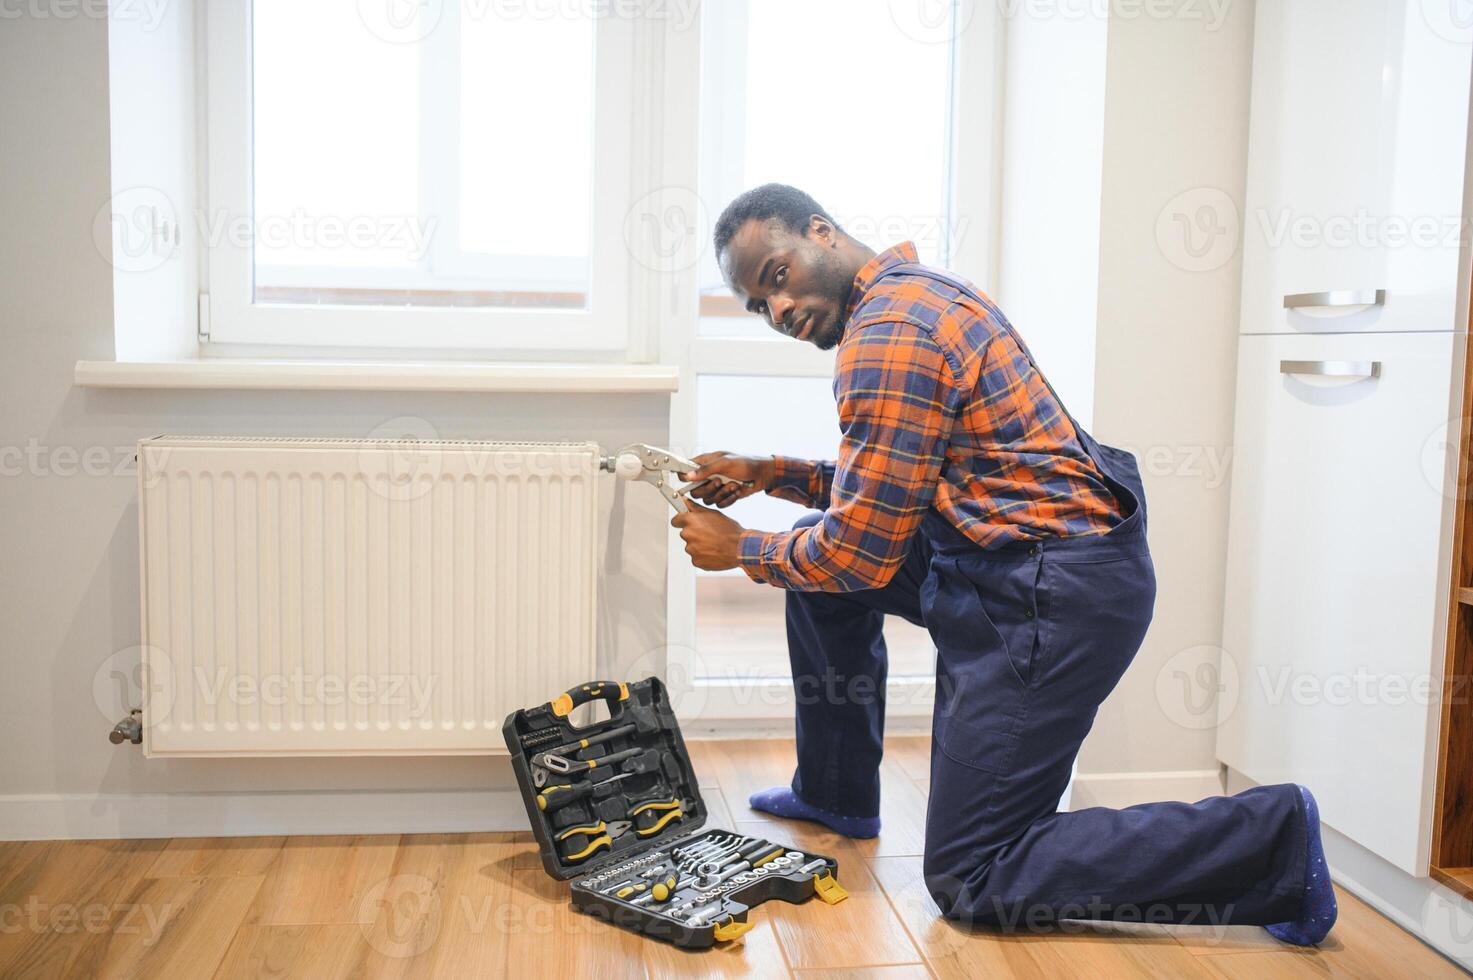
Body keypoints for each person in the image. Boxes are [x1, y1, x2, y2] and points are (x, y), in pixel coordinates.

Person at [670, 183, 1335, 944]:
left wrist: (742, 550)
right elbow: (890, 485)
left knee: (971, 873)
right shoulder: (912, 296)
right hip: (1002, 561)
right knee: (817, 567)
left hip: (1047, 598)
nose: (778, 312)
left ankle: (1273, 838)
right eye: (758, 305)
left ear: (820, 232)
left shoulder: (887, 335)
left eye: (777, 276)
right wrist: (770, 470)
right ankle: (836, 791)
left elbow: (858, 552)